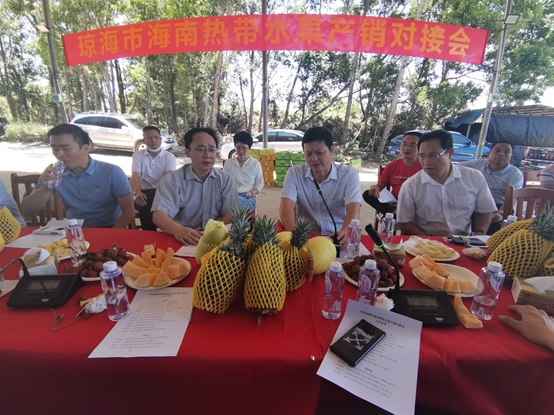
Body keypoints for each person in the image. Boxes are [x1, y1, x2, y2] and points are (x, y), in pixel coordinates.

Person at [20, 124, 135, 228]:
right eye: (55, 148)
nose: (59, 154)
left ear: (85, 148)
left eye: (66, 148)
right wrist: (44, 189)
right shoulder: (55, 174)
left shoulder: (112, 172)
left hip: (109, 226)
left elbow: (129, 211)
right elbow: (27, 210)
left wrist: (110, 236)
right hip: (74, 227)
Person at [397, 129, 497, 236]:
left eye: (433, 155)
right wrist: (428, 241)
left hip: (463, 240)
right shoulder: (411, 185)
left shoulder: (474, 177)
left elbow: (484, 210)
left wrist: (480, 232)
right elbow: (405, 222)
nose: (426, 162)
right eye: (422, 156)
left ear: (450, 153)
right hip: (426, 240)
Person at [152, 127, 239, 245]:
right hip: (182, 238)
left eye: (211, 150)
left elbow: (229, 214)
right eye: (201, 149)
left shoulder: (225, 180)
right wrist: (179, 230)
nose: (207, 155)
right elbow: (159, 215)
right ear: (188, 152)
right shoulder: (172, 180)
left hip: (215, 238)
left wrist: (212, 234)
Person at [279, 126, 361, 250]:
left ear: (332, 150)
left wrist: (344, 233)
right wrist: (294, 236)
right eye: (308, 154)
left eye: (319, 153)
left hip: (337, 237)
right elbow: (286, 205)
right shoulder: (294, 173)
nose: (314, 159)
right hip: (305, 238)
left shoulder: (349, 174)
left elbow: (354, 208)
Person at [460, 141, 523, 234]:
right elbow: (455, 167)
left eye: (506, 152)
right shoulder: (478, 164)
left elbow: (512, 197)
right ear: (488, 154)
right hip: (475, 203)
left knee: (493, 225)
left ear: (511, 157)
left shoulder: (515, 174)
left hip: (498, 207)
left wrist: (500, 213)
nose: (501, 154)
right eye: (497, 151)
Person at [362, 131, 422, 215]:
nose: (407, 148)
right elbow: (380, 186)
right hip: (394, 203)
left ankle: (395, 214)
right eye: (404, 144)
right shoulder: (392, 166)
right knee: (367, 194)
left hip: (414, 204)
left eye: (412, 145)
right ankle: (394, 212)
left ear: (421, 148)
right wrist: (375, 188)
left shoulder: (425, 167)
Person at [130, 125, 176, 230]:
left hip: (163, 192)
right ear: (144, 141)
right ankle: (153, 231)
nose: (153, 140)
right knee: (144, 201)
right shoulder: (138, 155)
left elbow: (168, 179)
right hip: (144, 193)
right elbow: (136, 176)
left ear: (160, 139)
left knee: (147, 203)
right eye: (149, 138)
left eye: (156, 137)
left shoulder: (169, 157)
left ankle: (148, 232)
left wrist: (158, 194)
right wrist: (138, 193)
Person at [222, 131, 263, 213]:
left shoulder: (255, 164)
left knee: (232, 205)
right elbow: (223, 182)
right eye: (238, 147)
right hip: (231, 196)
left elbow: (259, 184)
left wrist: (251, 193)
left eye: (244, 148)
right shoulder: (229, 163)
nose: (240, 151)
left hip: (248, 198)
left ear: (249, 148)